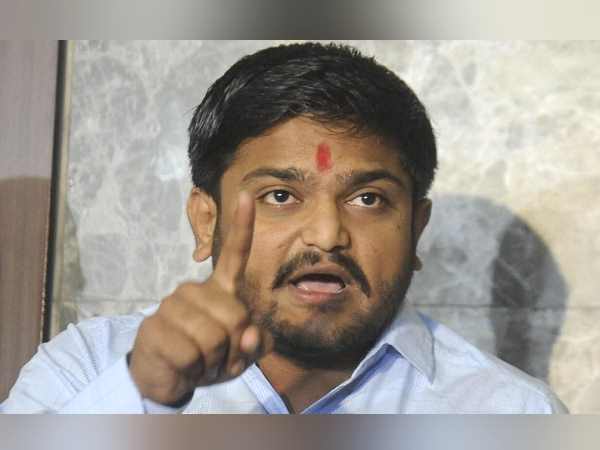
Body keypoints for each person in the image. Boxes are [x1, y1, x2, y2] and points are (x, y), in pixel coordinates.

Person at [1, 42, 567, 414]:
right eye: (280, 196)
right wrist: (141, 394)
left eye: (368, 198)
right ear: (206, 220)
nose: (326, 235)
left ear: (416, 228)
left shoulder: (514, 413)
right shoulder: (87, 370)